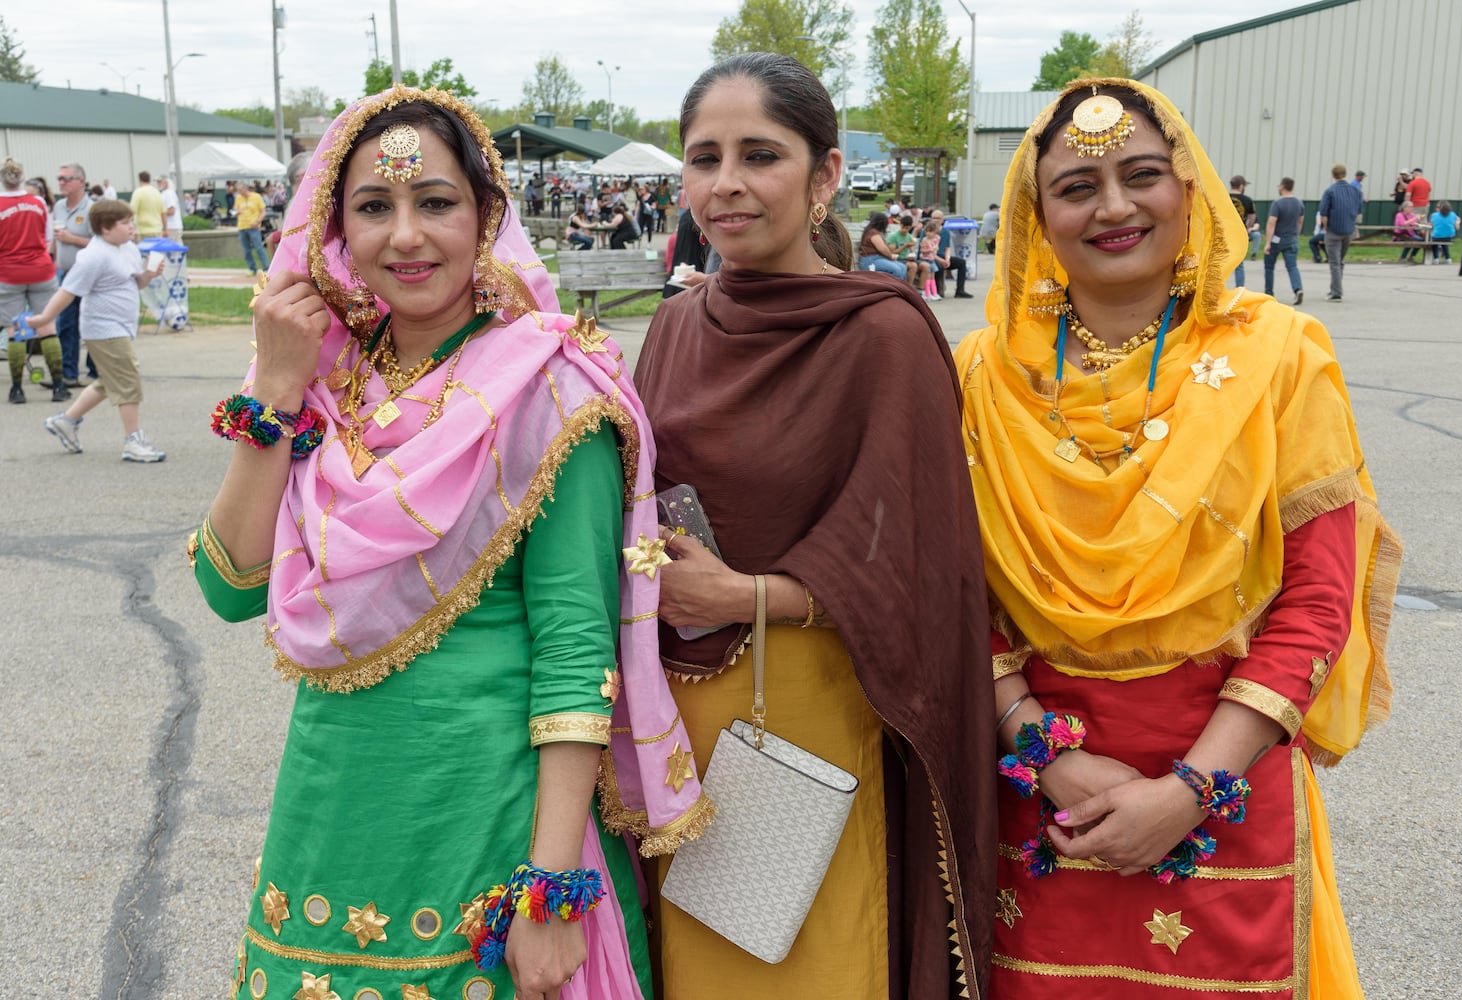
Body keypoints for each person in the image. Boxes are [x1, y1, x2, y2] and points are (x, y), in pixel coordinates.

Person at [189, 87, 711, 1000]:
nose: (406, 235)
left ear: (486, 217)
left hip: (490, 815)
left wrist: (551, 895)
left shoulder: (546, 393)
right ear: (334, 232)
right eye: (374, 207)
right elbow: (232, 585)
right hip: (334, 803)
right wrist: (272, 389)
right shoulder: (324, 390)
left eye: (436, 202)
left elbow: (576, 650)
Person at [957, 78, 1401, 999]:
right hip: (1039, 792)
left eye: (1142, 175)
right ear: (1037, 215)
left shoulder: (1279, 354)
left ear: (1189, 187)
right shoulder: (980, 374)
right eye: (1077, 187)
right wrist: (1048, 757)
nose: (1114, 207)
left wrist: (1191, 790)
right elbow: (956, 595)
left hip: (1224, 774)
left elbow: (1320, 597)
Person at [637, 52, 994, 1000]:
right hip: (672, 721)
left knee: (803, 959)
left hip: (808, 706)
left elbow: (918, 554)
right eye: (703, 157)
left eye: (761, 155)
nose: (727, 185)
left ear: (825, 174)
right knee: (691, 965)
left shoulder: (881, 331)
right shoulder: (675, 326)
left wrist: (744, 593)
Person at [30, 198, 166, 459]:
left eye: (131, 222)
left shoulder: (128, 248)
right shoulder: (93, 256)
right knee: (128, 381)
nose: (131, 228)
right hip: (103, 329)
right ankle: (133, 441)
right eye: (125, 223)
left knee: (109, 381)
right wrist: (45, 317)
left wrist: (149, 275)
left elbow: (135, 282)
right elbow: (68, 291)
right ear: (105, 228)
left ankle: (66, 421)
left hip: (121, 327)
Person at [1, 157, 67, 403]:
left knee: (15, 329)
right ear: (21, 177)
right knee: (47, 327)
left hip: (9, 272)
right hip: (41, 269)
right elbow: (48, 238)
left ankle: (17, 389)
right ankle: (59, 386)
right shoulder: (38, 202)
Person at [51, 162, 94, 386]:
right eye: (59, 178)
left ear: (80, 182)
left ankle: (96, 372)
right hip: (66, 274)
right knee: (66, 323)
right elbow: (54, 239)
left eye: (66, 178)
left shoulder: (92, 209)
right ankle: (68, 373)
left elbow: (100, 245)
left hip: (88, 276)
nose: (61, 182)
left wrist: (73, 240)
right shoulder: (58, 207)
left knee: (90, 323)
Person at [1317, 164, 1361, 300]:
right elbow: (1359, 213)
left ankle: (1336, 292)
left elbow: (1324, 213)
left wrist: (1325, 227)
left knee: (1334, 262)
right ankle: (1335, 288)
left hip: (1334, 230)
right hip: (1349, 229)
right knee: (1340, 261)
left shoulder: (1330, 191)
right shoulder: (1355, 191)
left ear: (1333, 175)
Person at [1263, 177, 1304, 304]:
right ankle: (1298, 289)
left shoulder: (1277, 203)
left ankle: (1269, 292)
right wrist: (1296, 234)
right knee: (1292, 266)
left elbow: (1272, 222)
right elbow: (1300, 221)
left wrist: (1268, 242)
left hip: (1277, 239)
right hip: (1291, 238)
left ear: (1283, 187)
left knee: (1269, 266)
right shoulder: (1299, 203)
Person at [929, 208, 974, 298]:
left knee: (961, 263)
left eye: (938, 218)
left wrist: (947, 259)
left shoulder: (945, 232)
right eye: (934, 218)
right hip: (931, 257)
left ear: (942, 220)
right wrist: (941, 260)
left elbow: (947, 248)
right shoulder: (927, 231)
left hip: (942, 256)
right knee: (939, 265)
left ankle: (960, 290)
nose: (935, 220)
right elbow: (928, 251)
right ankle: (937, 290)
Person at [233, 180, 270, 274]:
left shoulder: (256, 197)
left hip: (253, 226)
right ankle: (252, 268)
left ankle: (266, 268)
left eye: (240, 190)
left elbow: (263, 211)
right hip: (242, 226)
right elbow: (236, 209)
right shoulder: (238, 198)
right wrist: (236, 212)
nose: (239, 192)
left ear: (245, 188)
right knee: (246, 250)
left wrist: (258, 222)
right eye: (238, 190)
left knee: (259, 248)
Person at [855, 210, 905, 277]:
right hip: (870, 260)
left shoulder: (873, 231)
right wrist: (891, 256)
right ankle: (892, 287)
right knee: (896, 269)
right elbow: (882, 249)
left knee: (903, 267)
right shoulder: (873, 232)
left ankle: (900, 287)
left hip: (878, 259)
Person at [1227, 175, 1257, 287]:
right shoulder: (1248, 200)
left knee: (1220, 261)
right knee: (1239, 263)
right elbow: (1252, 217)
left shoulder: (1223, 197)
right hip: (1239, 233)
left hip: (1224, 233)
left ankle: (1216, 289)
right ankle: (1239, 288)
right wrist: (1248, 227)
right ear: (1241, 186)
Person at [130, 170, 164, 238]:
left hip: (143, 230)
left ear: (139, 180)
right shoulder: (157, 192)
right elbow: (163, 212)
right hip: (157, 229)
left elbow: (132, 211)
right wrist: (165, 229)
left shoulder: (138, 192)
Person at [156, 175, 183, 241]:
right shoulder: (165, 193)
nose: (158, 184)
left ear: (166, 182)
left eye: (160, 181)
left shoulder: (169, 193)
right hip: (170, 227)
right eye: (157, 182)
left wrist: (157, 213)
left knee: (173, 250)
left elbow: (171, 211)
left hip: (172, 227)